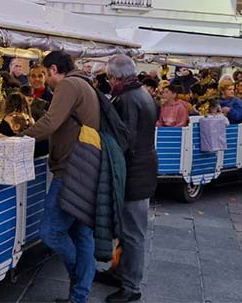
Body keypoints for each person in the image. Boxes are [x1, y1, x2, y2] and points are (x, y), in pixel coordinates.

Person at [20, 52, 100, 303]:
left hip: (71, 168)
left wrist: (21, 137)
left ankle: (79, 275)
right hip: (87, 164)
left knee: (50, 231)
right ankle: (79, 296)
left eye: (45, 74)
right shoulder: (84, 84)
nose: (46, 81)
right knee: (81, 233)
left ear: (53, 69)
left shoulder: (68, 84)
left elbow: (51, 122)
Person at [96, 54, 157, 303]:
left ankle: (132, 287)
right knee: (127, 229)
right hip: (142, 168)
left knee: (132, 233)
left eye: (108, 77)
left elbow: (125, 140)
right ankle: (119, 272)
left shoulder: (128, 98)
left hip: (135, 172)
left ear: (114, 77)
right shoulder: (141, 93)